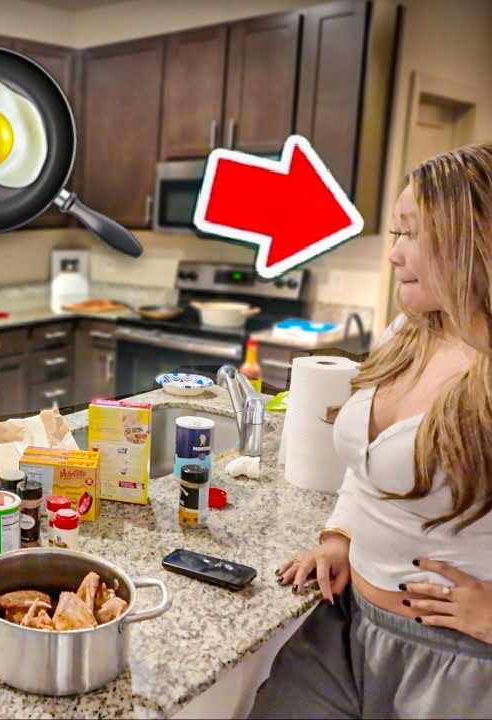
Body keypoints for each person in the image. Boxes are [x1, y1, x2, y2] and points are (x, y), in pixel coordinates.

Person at [250, 142, 492, 719]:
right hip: (348, 627)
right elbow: (367, 467)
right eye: (394, 233)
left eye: (411, 233)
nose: (394, 255)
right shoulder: (404, 335)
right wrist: (339, 536)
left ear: (471, 239)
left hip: (455, 663)